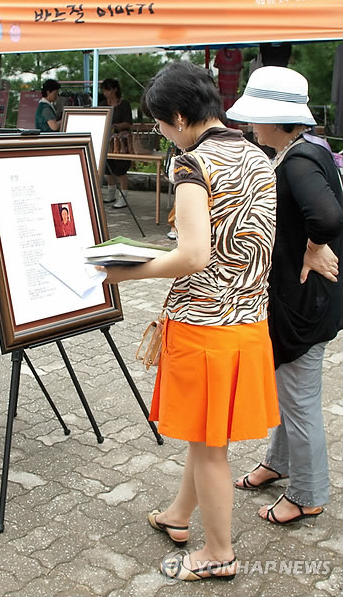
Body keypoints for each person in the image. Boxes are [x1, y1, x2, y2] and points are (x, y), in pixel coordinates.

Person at [98, 61, 279, 582]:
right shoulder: (257, 153)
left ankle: (219, 552)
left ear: (179, 117)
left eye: (159, 123)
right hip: (247, 319)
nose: (158, 132)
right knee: (207, 441)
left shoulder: (191, 165)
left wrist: (124, 273)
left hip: (205, 326)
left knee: (209, 450)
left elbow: (194, 254)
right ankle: (179, 517)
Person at [227, 67, 343, 525]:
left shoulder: (295, 161)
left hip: (303, 305)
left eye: (256, 117)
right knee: (286, 389)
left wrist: (315, 248)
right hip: (303, 301)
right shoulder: (309, 149)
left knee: (298, 397)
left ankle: (309, 492)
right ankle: (279, 463)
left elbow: (329, 218)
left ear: (274, 119)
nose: (250, 126)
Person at [102, 78, 132, 208]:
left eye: (108, 90)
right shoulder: (102, 104)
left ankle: (123, 196)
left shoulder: (124, 104)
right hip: (107, 140)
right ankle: (111, 193)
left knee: (121, 169)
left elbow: (128, 122)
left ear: (115, 89)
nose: (105, 93)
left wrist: (114, 125)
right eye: (104, 90)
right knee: (109, 168)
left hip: (121, 141)